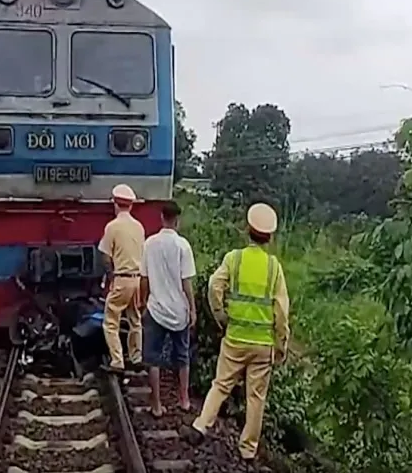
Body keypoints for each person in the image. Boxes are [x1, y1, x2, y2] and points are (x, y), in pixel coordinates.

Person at [180, 202, 290, 464]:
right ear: (270, 237)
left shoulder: (234, 259)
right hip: (263, 345)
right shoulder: (274, 268)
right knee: (256, 397)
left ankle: (200, 426)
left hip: (235, 338)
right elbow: (282, 311)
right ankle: (248, 449)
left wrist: (221, 316)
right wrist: (281, 345)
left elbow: (213, 286)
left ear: (247, 230)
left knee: (221, 385)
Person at [138, 201, 197, 417]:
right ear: (178, 221)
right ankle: (184, 400)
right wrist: (192, 309)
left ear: (162, 217)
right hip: (179, 311)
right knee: (182, 356)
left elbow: (143, 279)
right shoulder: (183, 246)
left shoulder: (149, 244)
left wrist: (143, 303)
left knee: (153, 359)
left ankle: (156, 405)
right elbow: (186, 283)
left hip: (156, 310)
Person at [99, 183, 146, 374]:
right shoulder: (139, 227)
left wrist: (110, 274)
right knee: (135, 320)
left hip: (122, 279)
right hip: (137, 279)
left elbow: (104, 254)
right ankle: (136, 357)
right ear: (131, 205)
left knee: (111, 320)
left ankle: (117, 360)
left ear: (115, 204)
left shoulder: (112, 227)